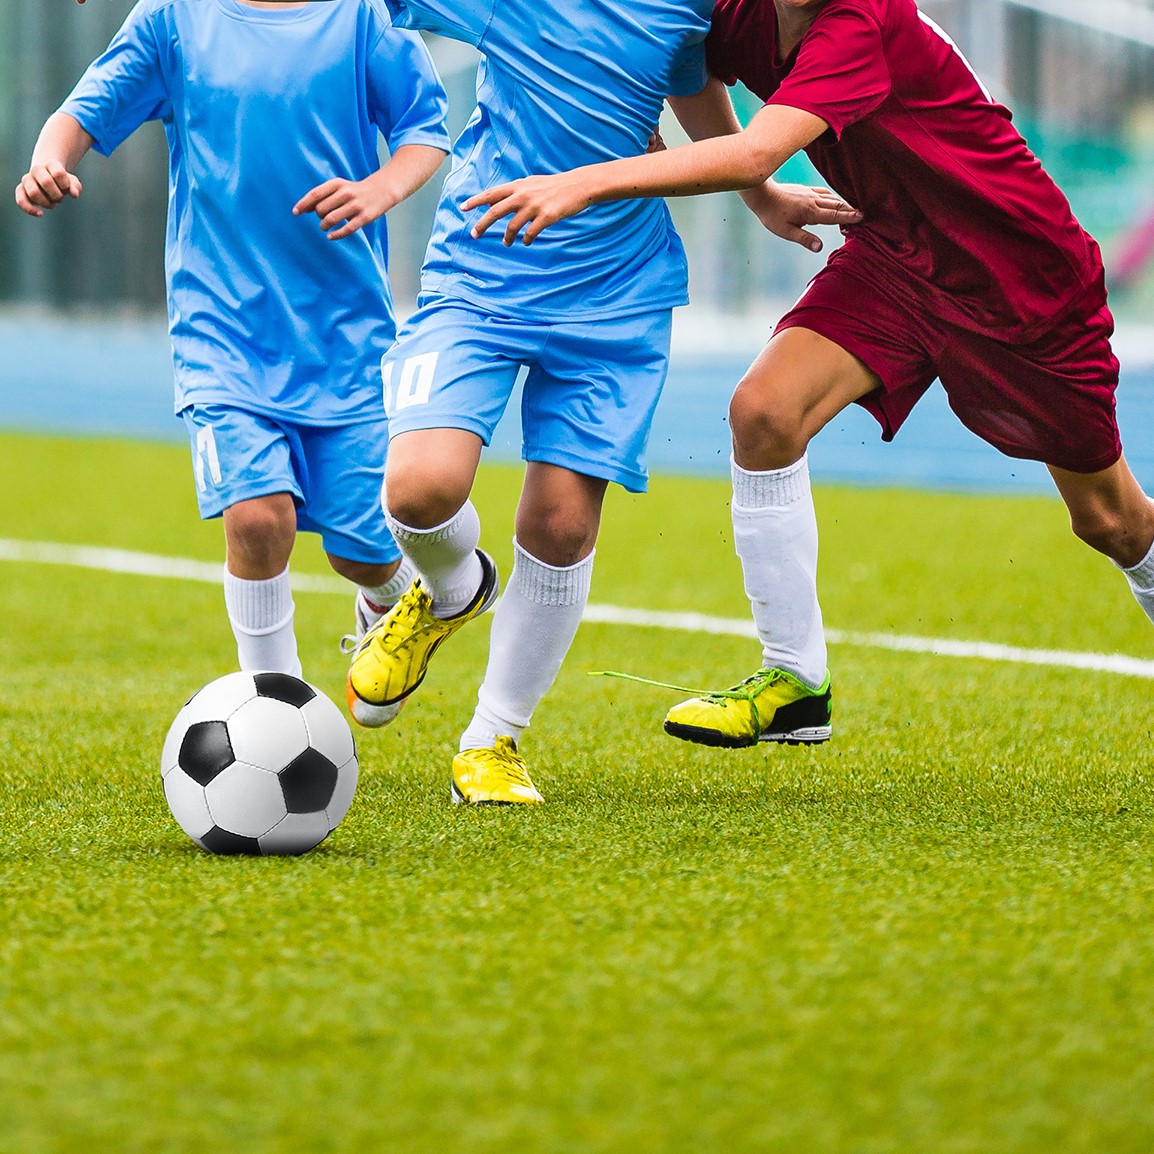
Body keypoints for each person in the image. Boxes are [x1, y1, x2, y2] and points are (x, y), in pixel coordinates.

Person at [462, 0, 1154, 748]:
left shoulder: (865, 22)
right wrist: (749, 194)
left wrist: (589, 180)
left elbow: (758, 151)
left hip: (1019, 276)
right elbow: (687, 68)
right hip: (895, 253)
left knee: (1111, 522)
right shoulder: (741, 13)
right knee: (764, 411)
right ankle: (795, 679)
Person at [344, 0, 859, 803]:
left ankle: (492, 741)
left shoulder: (685, 8)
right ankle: (451, 590)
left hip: (616, 297)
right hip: (481, 274)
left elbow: (693, 88)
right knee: (419, 490)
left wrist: (762, 196)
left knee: (560, 523)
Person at [17, 0, 449, 682]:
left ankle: (390, 610)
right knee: (255, 519)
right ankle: (272, 700)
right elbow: (80, 113)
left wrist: (381, 188)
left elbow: (425, 129)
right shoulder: (171, 17)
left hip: (345, 336)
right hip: (220, 330)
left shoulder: (363, 16)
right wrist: (49, 160)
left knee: (363, 550)